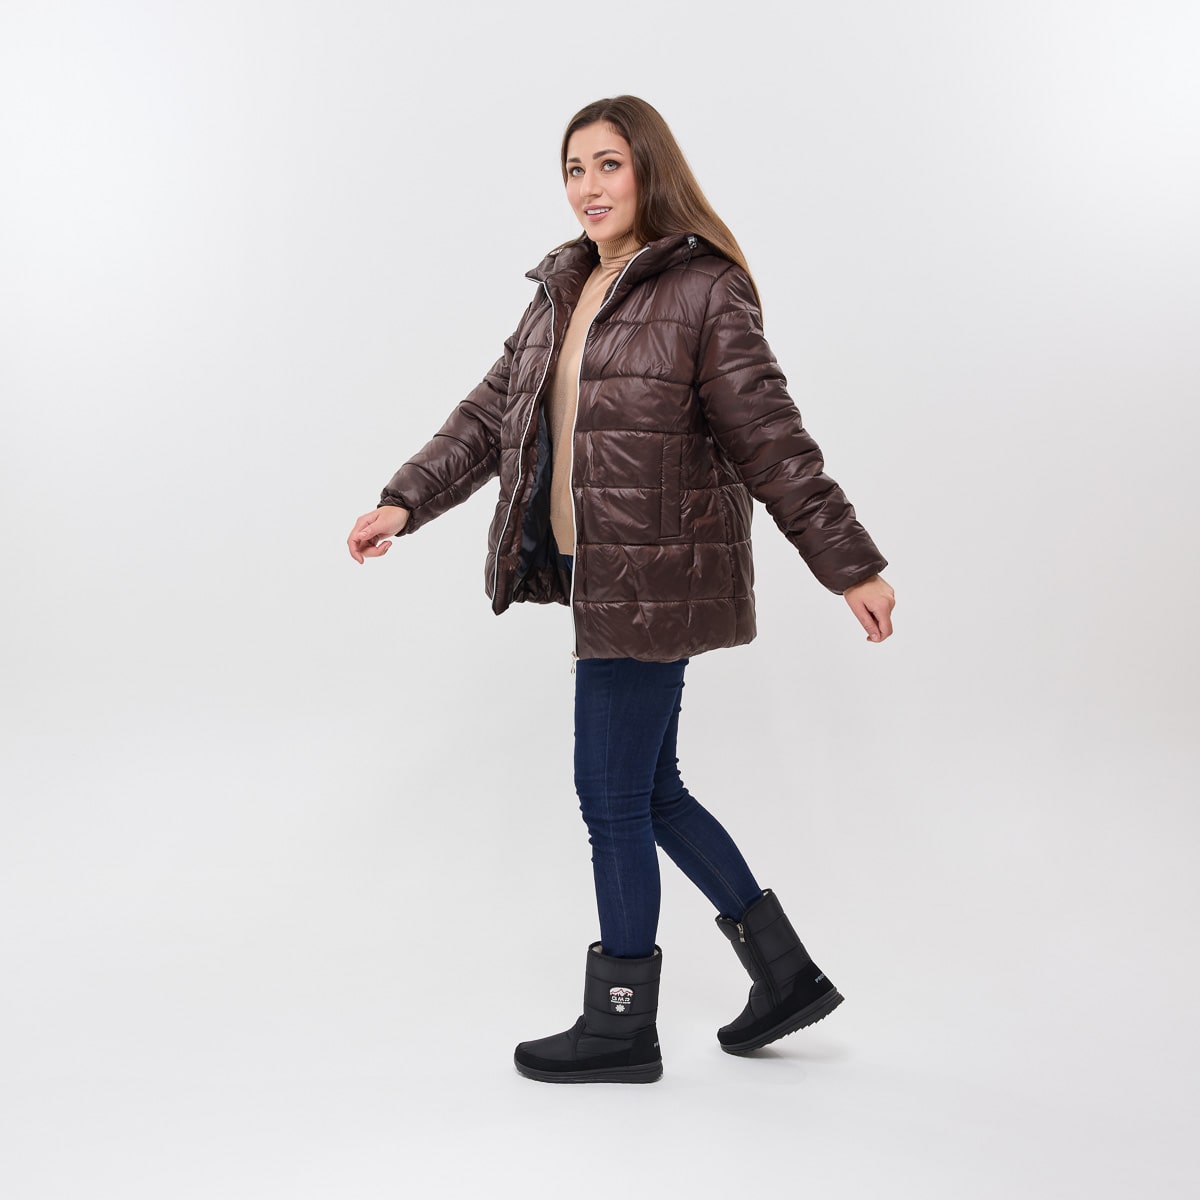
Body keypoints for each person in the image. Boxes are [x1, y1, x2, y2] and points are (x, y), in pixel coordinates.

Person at [347, 95, 895, 1085]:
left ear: (649, 169)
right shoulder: (563, 286)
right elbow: (492, 411)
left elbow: (770, 437)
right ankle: (786, 976)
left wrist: (847, 562)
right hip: (600, 573)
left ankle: (620, 1023)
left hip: (654, 576)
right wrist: (405, 500)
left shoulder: (703, 288)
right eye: (574, 168)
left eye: (608, 164)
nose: (589, 187)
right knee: (649, 788)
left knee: (609, 795)